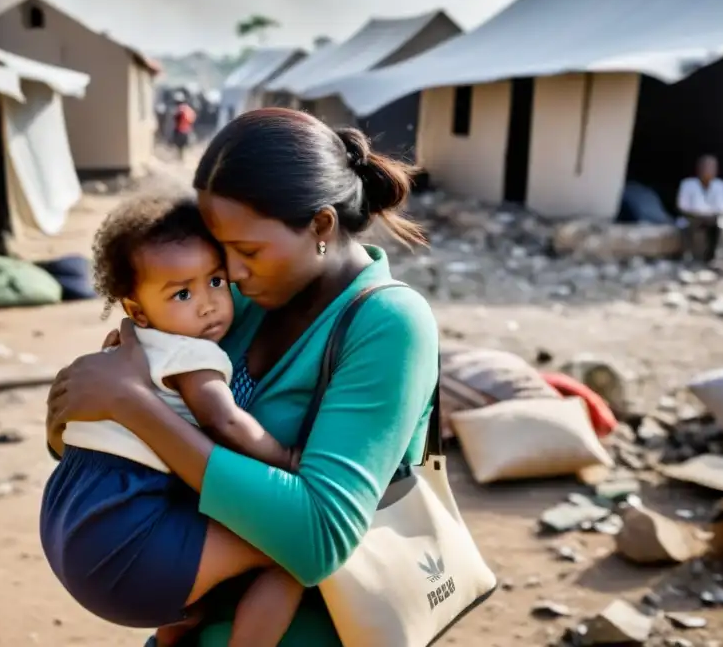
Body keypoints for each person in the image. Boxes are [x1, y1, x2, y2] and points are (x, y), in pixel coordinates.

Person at [46, 108, 440, 646]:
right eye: (219, 250)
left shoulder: (387, 325)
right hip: (193, 608)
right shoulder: (242, 301)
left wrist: (134, 405)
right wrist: (81, 411)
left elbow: (319, 538)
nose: (227, 274)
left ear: (320, 226)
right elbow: (136, 421)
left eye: (247, 251)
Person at [40, 193, 303, 647]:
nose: (207, 305)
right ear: (136, 310)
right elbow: (226, 424)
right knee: (296, 553)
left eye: (216, 281)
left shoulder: (123, 351)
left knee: (200, 597)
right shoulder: (191, 354)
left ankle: (171, 639)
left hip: (67, 518)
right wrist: (289, 460)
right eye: (182, 293)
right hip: (125, 532)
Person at [676, 155, 723, 262]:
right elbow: (682, 206)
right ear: (699, 169)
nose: (709, 170)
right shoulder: (687, 184)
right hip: (692, 218)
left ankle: (715, 256)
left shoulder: (721, 185)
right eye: (705, 167)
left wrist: (712, 215)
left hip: (713, 219)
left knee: (722, 224)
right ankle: (687, 255)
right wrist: (698, 215)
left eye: (712, 167)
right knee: (683, 223)